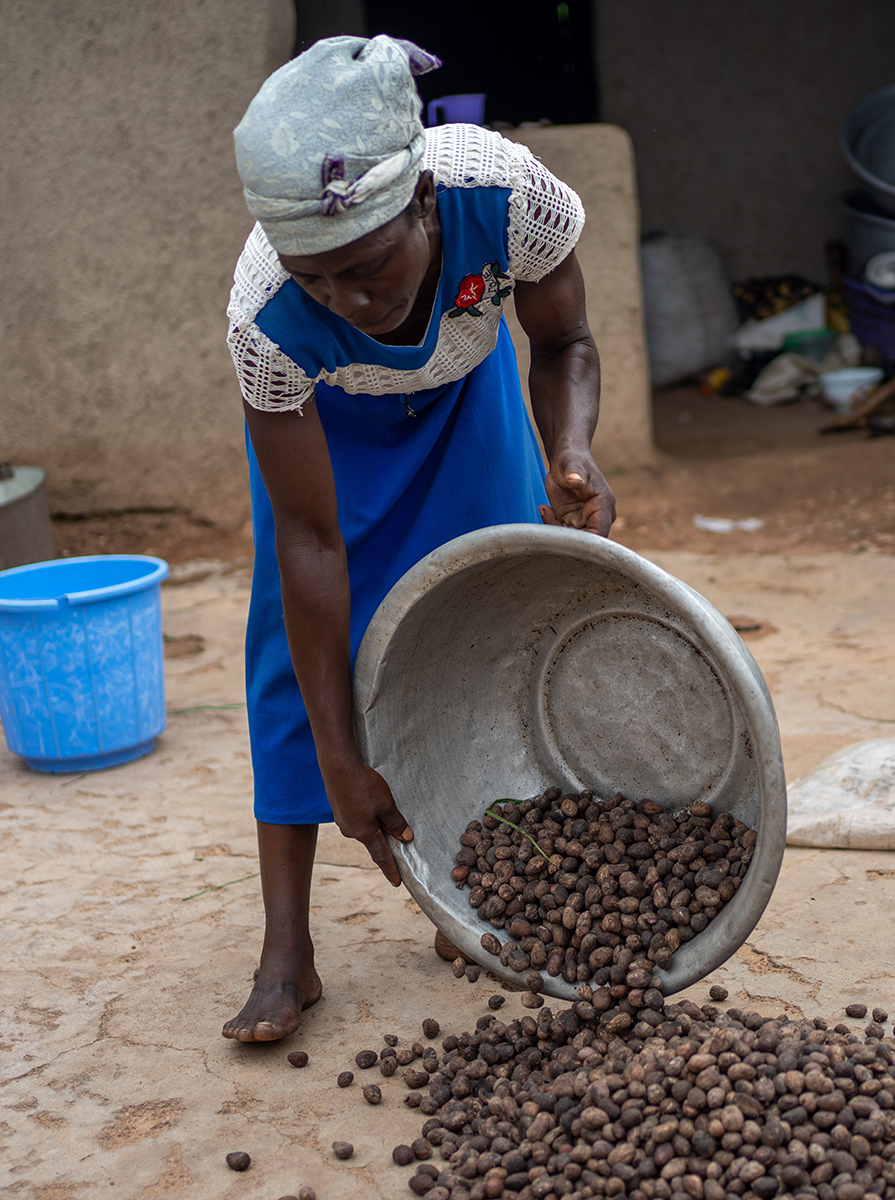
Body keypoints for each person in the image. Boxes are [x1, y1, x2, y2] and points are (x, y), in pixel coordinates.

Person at [220, 35, 614, 1042]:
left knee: (487, 630)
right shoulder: (266, 319)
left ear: (424, 200)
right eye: (323, 283)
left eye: (367, 266)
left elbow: (562, 340)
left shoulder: (504, 193)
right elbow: (311, 545)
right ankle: (286, 951)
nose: (350, 298)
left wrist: (569, 447)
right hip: (330, 435)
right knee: (290, 660)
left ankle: (472, 888)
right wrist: (345, 762)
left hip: (464, 408)